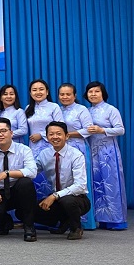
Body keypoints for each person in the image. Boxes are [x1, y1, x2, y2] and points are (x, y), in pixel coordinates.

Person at [0, 117, 38, 242]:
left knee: (26, 182)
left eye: (3, 131)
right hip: (0, 192)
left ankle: (29, 227)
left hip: (19, 191)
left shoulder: (24, 150)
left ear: (11, 133)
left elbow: (32, 172)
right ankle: (5, 221)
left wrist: (7, 173)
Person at [35, 121, 91, 240]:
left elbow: (80, 186)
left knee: (67, 201)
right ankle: (64, 221)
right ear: (47, 137)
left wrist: (54, 196)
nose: (55, 137)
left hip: (78, 198)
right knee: (26, 210)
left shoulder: (76, 155)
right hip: (57, 199)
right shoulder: (44, 154)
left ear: (67, 136)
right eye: (51, 134)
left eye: (59, 134)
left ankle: (76, 228)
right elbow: (32, 171)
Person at [85, 81, 127, 230]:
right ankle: (101, 218)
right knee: (96, 183)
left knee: (111, 182)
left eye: (97, 91)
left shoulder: (111, 110)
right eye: (90, 92)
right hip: (92, 151)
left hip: (108, 152)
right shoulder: (87, 111)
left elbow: (121, 130)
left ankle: (116, 219)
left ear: (103, 93)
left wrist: (102, 130)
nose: (93, 94)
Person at [58, 82, 96, 229]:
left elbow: (89, 130)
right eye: (62, 94)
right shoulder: (58, 110)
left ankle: (83, 221)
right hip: (61, 148)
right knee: (63, 180)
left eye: (68, 94)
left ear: (74, 95)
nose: (65, 97)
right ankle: (64, 219)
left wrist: (67, 134)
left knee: (79, 181)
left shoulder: (81, 109)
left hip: (78, 147)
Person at [24, 79, 65, 200]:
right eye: (34, 90)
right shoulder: (28, 108)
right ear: (30, 93)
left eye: (41, 89)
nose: (38, 92)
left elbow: (61, 125)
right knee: (35, 175)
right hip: (34, 147)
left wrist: (41, 135)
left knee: (52, 173)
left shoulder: (54, 107)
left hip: (50, 145)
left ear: (47, 92)